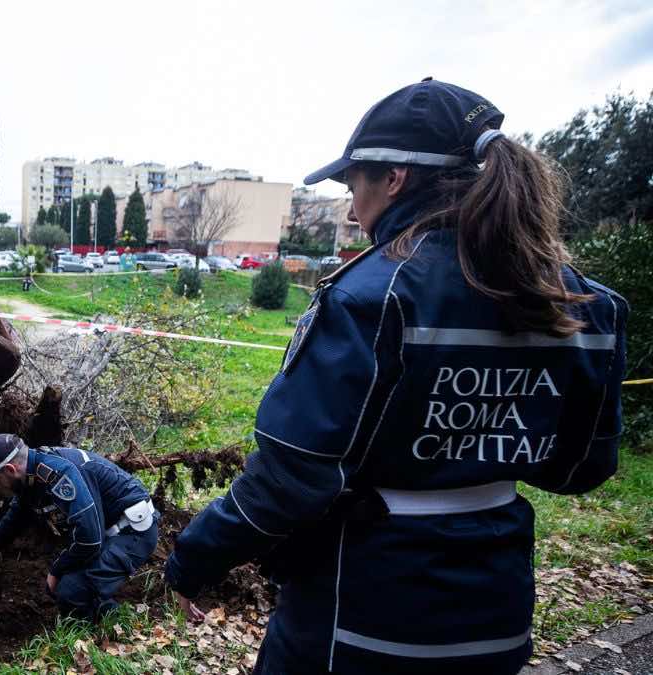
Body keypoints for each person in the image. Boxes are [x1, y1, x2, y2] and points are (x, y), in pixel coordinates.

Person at [164, 78, 628, 674]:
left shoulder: (369, 297)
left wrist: (194, 560)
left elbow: (290, 477)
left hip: (361, 623)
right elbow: (585, 468)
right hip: (497, 613)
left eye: (354, 185)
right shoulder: (581, 304)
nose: (353, 210)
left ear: (395, 179)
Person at [0, 434, 158, 620]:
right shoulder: (33, 473)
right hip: (108, 531)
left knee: (69, 592)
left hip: (133, 531)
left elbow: (90, 540)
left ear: (10, 469)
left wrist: (56, 571)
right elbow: (17, 514)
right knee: (67, 584)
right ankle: (106, 612)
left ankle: (115, 627)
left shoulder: (59, 473)